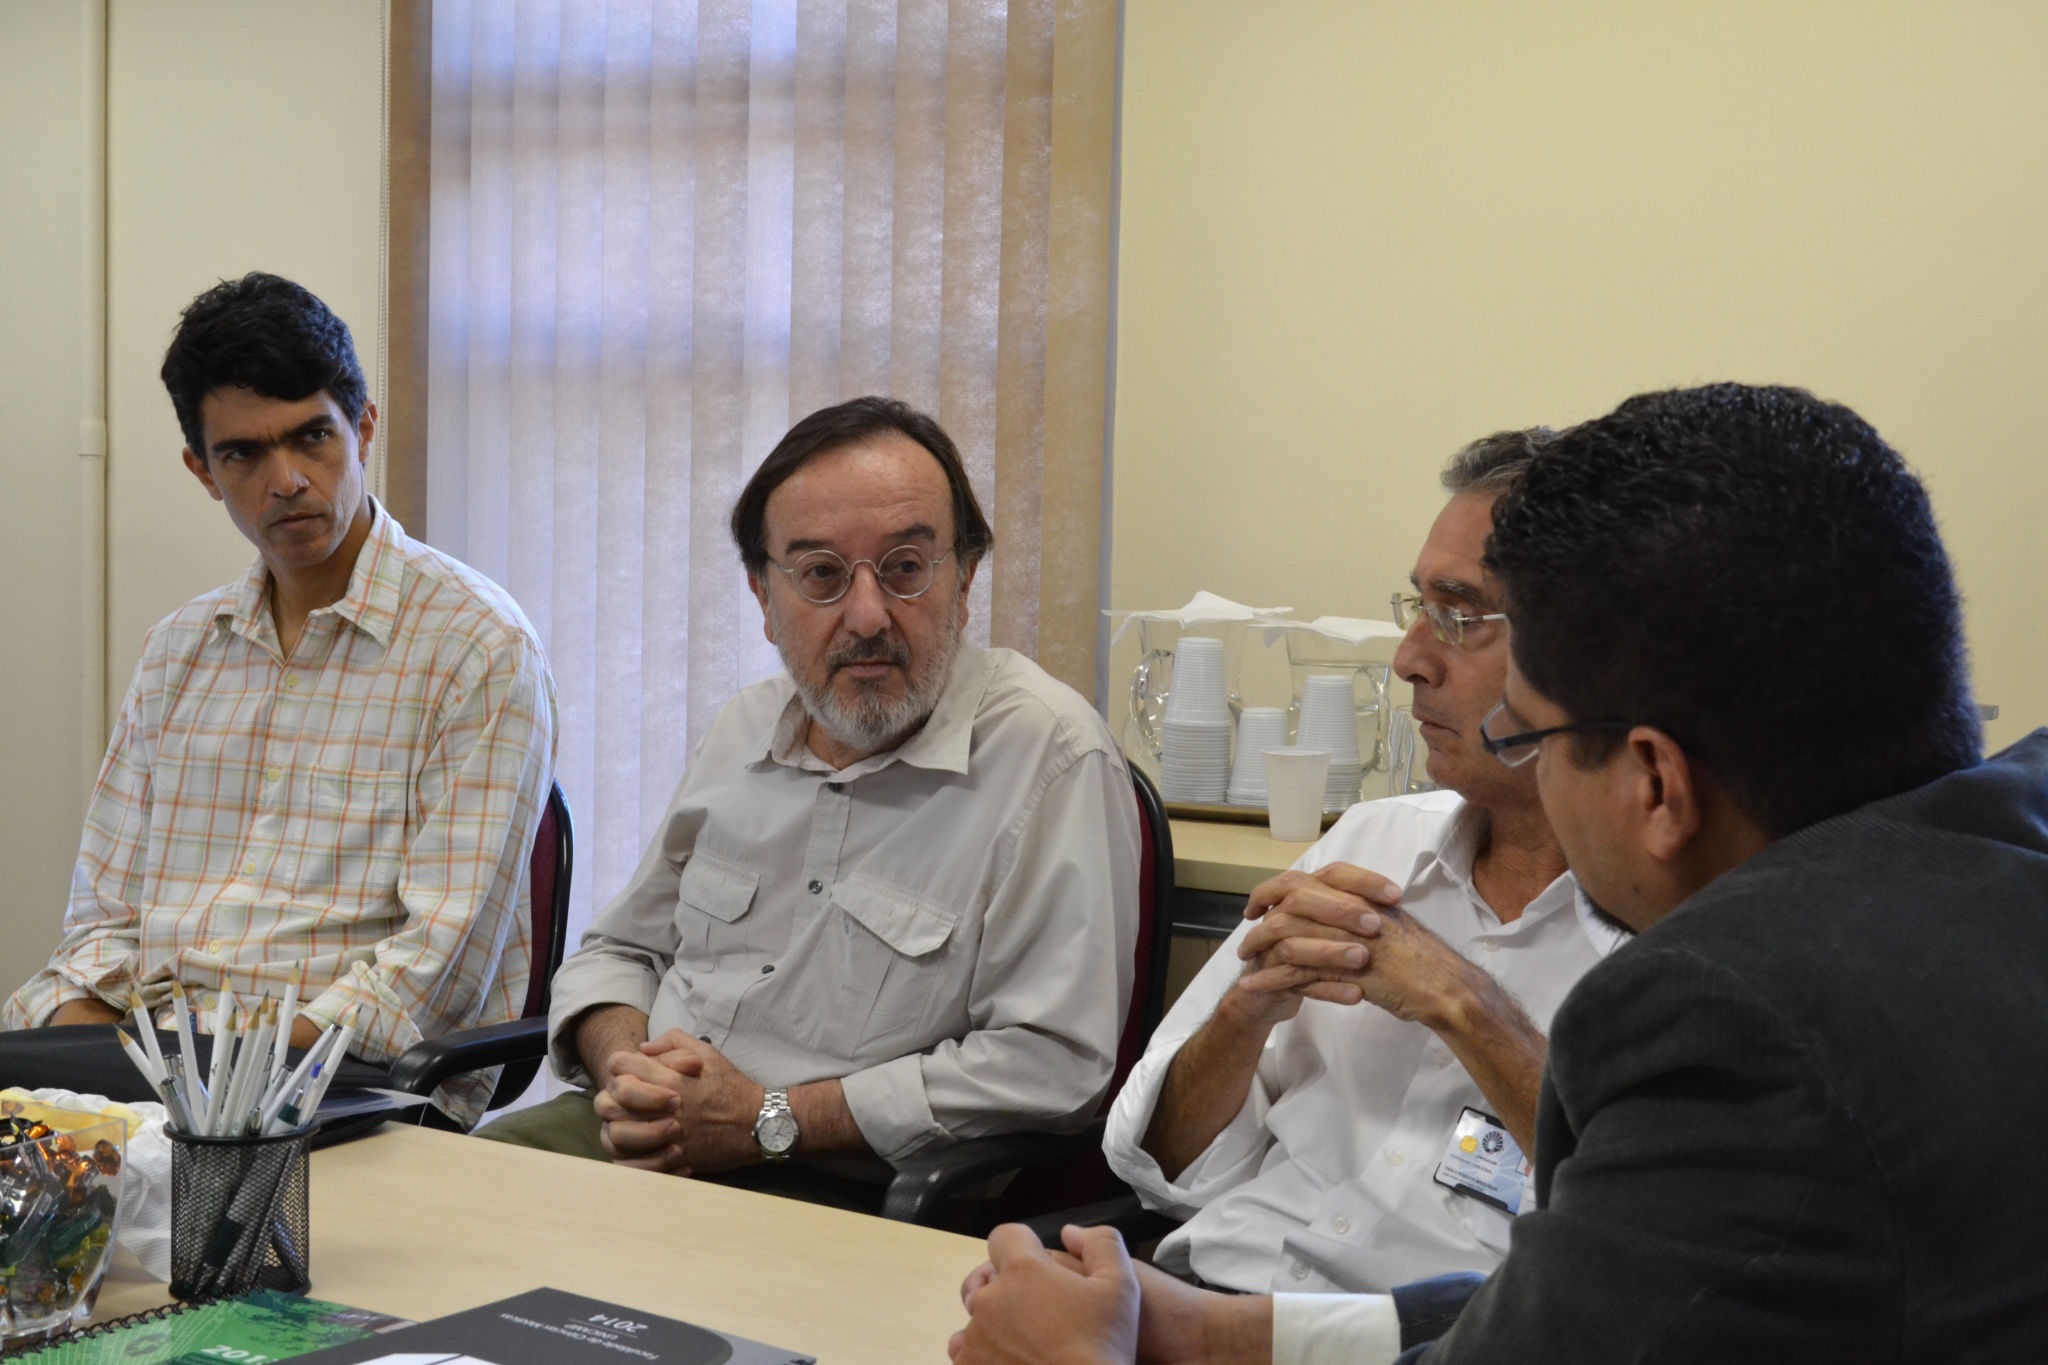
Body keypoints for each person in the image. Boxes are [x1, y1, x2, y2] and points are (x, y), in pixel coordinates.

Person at [951, 381, 2048, 1365]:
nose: (1416, 662)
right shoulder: (1994, 872)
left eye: (1527, 734)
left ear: (1654, 786)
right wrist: (1210, 1334)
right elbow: (1571, 1303)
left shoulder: (1737, 1018)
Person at [479, 396, 1139, 1207]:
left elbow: (1051, 1065)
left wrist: (767, 1119)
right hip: (643, 1143)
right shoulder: (744, 727)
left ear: (964, 580)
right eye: (822, 574)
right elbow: (619, 952)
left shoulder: (1050, 753)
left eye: (904, 567)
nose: (868, 615)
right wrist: (631, 1068)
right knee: (423, 1228)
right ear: (764, 598)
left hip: (845, 1188)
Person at [1, 273, 558, 1128]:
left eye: (312, 437)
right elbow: (98, 930)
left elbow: (433, 967)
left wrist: (209, 1092)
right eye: (244, 454)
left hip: (345, 1078)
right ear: (202, 469)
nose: (287, 479)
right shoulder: (177, 652)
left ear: (362, 427)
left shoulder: (479, 646)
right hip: (155, 1072)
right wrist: (95, 1054)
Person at [1102, 430, 1625, 1294]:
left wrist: (1466, 1006)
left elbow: (1637, 1235)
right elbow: (1156, 1162)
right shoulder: (1370, 844)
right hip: (1200, 1288)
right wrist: (1245, 1013)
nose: (1410, 659)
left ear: (1589, 651)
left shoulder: (1678, 931)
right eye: (1416, 607)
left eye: (1459, 616)